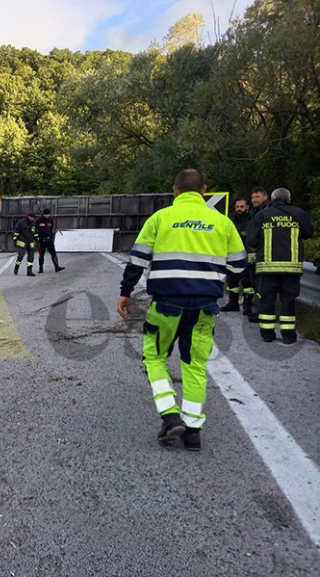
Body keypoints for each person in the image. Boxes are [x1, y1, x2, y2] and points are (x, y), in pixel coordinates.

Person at [117, 169, 247, 451]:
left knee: (154, 357)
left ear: (174, 191)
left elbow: (137, 261)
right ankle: (193, 432)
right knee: (195, 365)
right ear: (204, 190)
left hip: (167, 303)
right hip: (205, 306)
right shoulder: (222, 222)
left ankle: (170, 415)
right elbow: (238, 265)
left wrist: (125, 293)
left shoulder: (161, 218)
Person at [246, 188, 314, 344]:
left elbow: (251, 240)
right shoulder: (299, 213)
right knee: (288, 301)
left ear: (272, 198)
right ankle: (289, 336)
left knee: (267, 300)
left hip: (267, 268)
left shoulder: (262, 215)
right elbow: (309, 233)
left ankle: (267, 334)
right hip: (291, 268)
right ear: (289, 199)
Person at [221, 196, 253, 312]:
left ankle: (247, 306)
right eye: (237, 207)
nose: (239, 209)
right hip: (232, 257)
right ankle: (232, 303)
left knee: (247, 284)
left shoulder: (251, 220)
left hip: (246, 256)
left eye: (242, 207)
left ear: (247, 207)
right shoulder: (230, 220)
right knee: (232, 282)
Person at [243, 187, 270, 321]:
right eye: (253, 197)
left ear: (265, 197)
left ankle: (262, 312)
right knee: (255, 284)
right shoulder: (256, 211)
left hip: (264, 254)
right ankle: (258, 310)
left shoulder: (266, 212)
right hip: (256, 254)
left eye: (257, 197)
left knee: (261, 287)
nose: (254, 200)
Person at [35, 208, 65, 273]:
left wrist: (51, 236)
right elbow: (36, 230)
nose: (49, 215)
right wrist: (38, 239)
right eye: (48, 214)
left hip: (49, 239)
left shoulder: (50, 220)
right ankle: (41, 268)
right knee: (41, 255)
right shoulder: (38, 221)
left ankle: (57, 267)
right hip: (42, 240)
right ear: (44, 214)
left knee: (53, 253)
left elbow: (51, 228)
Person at [13, 212, 38, 276]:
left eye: (34, 218)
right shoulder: (21, 222)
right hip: (22, 242)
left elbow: (35, 233)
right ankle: (16, 268)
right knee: (20, 256)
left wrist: (37, 241)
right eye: (32, 218)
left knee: (31, 257)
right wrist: (15, 240)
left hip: (30, 242)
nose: (33, 219)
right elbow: (16, 231)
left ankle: (29, 271)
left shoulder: (34, 224)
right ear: (29, 217)